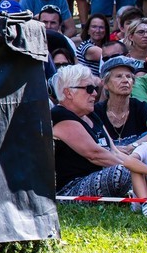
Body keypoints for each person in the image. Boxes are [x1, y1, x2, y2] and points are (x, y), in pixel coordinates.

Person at [51, 64, 131, 196]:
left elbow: (114, 152)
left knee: (141, 165)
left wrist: (144, 169)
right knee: (122, 172)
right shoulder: (60, 115)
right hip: (71, 187)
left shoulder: (91, 115)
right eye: (89, 89)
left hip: (99, 176)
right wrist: (133, 170)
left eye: (95, 88)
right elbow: (95, 154)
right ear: (68, 92)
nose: (94, 93)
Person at [96, 56, 147, 145]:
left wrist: (133, 146)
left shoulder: (140, 107)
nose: (125, 80)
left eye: (128, 76)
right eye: (119, 76)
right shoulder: (96, 111)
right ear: (105, 84)